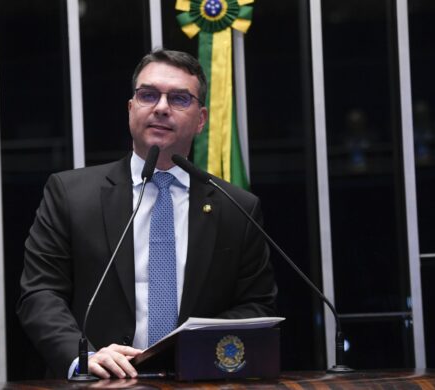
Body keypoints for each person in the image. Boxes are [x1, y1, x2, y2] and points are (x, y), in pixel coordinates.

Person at [17, 49, 277, 380]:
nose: (161, 107)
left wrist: (189, 348)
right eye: (148, 95)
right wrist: (83, 355)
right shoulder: (70, 194)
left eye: (180, 98)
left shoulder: (236, 206)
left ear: (201, 119)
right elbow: (40, 293)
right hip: (99, 382)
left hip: (197, 383)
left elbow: (256, 305)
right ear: (131, 109)